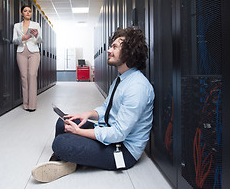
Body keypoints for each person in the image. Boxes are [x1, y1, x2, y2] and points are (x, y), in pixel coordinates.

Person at [31, 27, 155, 182]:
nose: (109, 50)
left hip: (122, 150)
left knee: (61, 142)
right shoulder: (121, 79)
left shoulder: (137, 87)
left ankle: (66, 158)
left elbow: (118, 134)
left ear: (129, 52)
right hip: (109, 133)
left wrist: (79, 132)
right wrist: (85, 115)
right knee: (63, 122)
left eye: (115, 47)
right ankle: (68, 160)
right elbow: (106, 109)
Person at [12, 5, 42, 112]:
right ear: (22, 13)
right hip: (21, 52)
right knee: (24, 77)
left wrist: (37, 35)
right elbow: (14, 41)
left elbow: (39, 40)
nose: (28, 12)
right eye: (25, 11)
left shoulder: (36, 25)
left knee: (32, 75)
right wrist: (22, 38)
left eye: (30, 11)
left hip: (34, 52)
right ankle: (25, 104)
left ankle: (32, 105)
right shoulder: (16, 26)